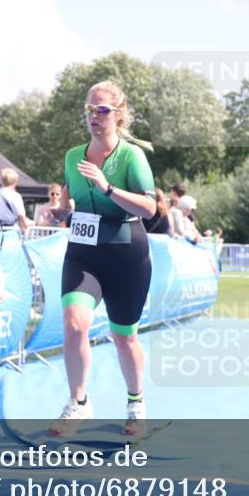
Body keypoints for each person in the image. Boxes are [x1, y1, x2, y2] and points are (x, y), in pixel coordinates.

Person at [47, 80, 157, 438]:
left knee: (124, 338)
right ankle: (79, 402)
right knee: (74, 323)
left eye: (102, 110)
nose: (94, 116)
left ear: (118, 114)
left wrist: (107, 188)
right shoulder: (72, 156)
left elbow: (150, 208)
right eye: (89, 109)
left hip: (126, 255)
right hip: (83, 253)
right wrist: (62, 210)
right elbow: (69, 192)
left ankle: (136, 404)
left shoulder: (131, 156)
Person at [0, 167, 30, 234]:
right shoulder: (15, 196)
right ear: (15, 182)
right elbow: (22, 219)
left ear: (2, 181)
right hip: (11, 232)